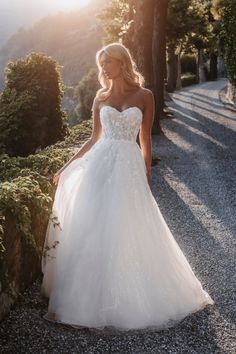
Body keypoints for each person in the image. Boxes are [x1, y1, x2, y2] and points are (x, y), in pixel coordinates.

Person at [41, 42, 214, 332]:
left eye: (109, 62)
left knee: (130, 225)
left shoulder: (145, 95)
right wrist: (65, 166)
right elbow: (94, 138)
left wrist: (146, 172)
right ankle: (87, 298)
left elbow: (145, 139)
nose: (104, 68)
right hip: (101, 163)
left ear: (123, 62)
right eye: (102, 63)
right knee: (96, 226)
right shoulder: (100, 96)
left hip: (129, 166)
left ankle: (133, 294)